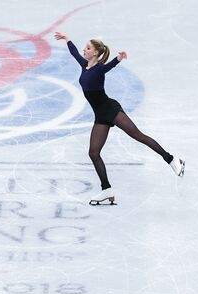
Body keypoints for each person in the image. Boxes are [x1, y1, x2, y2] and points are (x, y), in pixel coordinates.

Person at [54, 32, 185, 205]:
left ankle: (172, 160)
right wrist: (67, 39)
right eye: (85, 47)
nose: (84, 50)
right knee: (93, 153)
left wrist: (118, 58)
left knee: (138, 136)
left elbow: (110, 67)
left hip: (111, 110)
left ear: (95, 53)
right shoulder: (84, 64)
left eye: (87, 48)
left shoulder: (100, 68)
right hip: (100, 115)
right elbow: (73, 53)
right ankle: (106, 190)